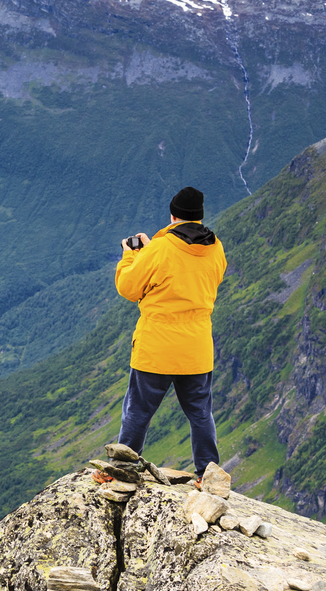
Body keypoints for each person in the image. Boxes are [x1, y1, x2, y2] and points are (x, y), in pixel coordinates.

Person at [114, 186, 227, 479]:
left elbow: (129, 288)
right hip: (197, 348)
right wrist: (154, 251)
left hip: (157, 348)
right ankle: (207, 474)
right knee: (201, 413)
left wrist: (132, 257)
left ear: (173, 215)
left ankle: (124, 469)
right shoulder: (216, 248)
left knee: (138, 412)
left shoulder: (159, 249)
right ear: (199, 217)